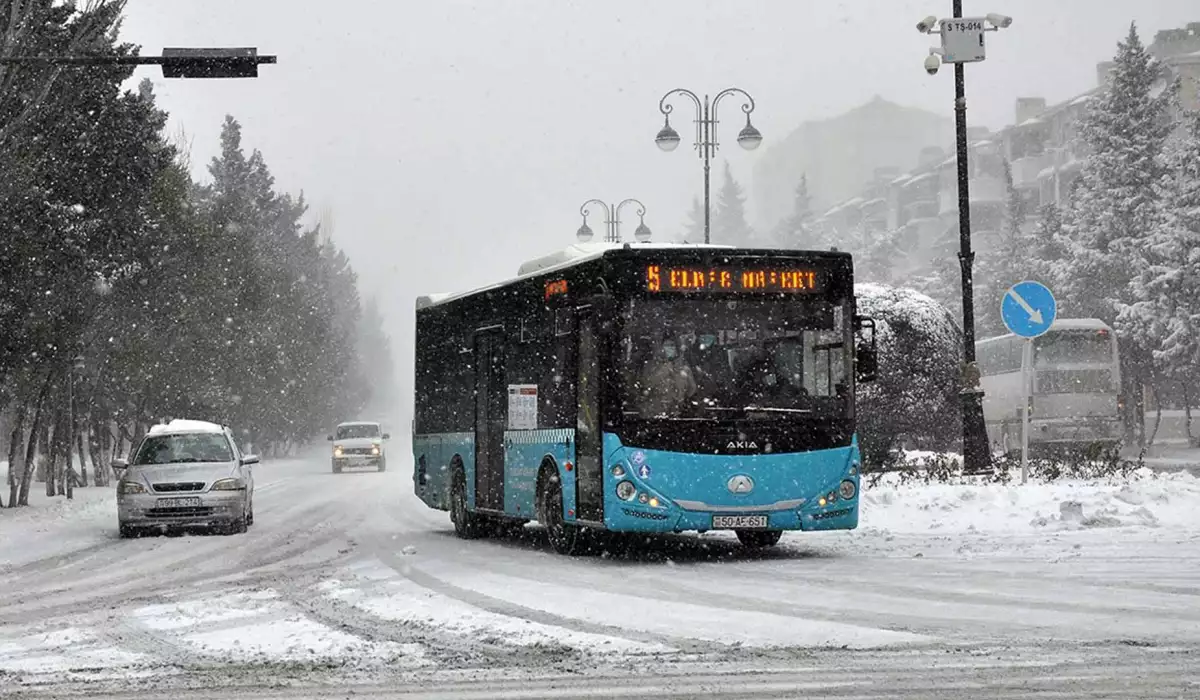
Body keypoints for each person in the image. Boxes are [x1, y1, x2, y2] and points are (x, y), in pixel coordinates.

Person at [637, 335, 697, 417]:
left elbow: (692, 389)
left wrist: (680, 399)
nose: (670, 348)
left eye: (672, 345)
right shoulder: (651, 365)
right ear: (661, 348)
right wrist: (665, 368)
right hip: (654, 412)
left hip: (678, 412)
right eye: (667, 345)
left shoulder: (684, 367)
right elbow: (646, 384)